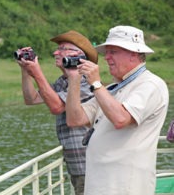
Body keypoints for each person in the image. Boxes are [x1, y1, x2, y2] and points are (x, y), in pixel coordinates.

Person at [65, 25, 169, 195]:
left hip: (125, 187)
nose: (106, 57)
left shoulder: (150, 85)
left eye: (113, 51)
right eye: (107, 52)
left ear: (133, 54)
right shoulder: (113, 89)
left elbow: (121, 119)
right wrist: (74, 79)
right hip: (100, 185)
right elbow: (74, 119)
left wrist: (96, 84)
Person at [16, 30, 98, 195]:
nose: (56, 52)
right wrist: (26, 71)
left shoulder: (84, 81)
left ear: (79, 55)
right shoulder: (63, 82)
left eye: (63, 49)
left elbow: (57, 107)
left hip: (88, 165)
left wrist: (37, 72)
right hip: (77, 164)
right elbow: (31, 99)